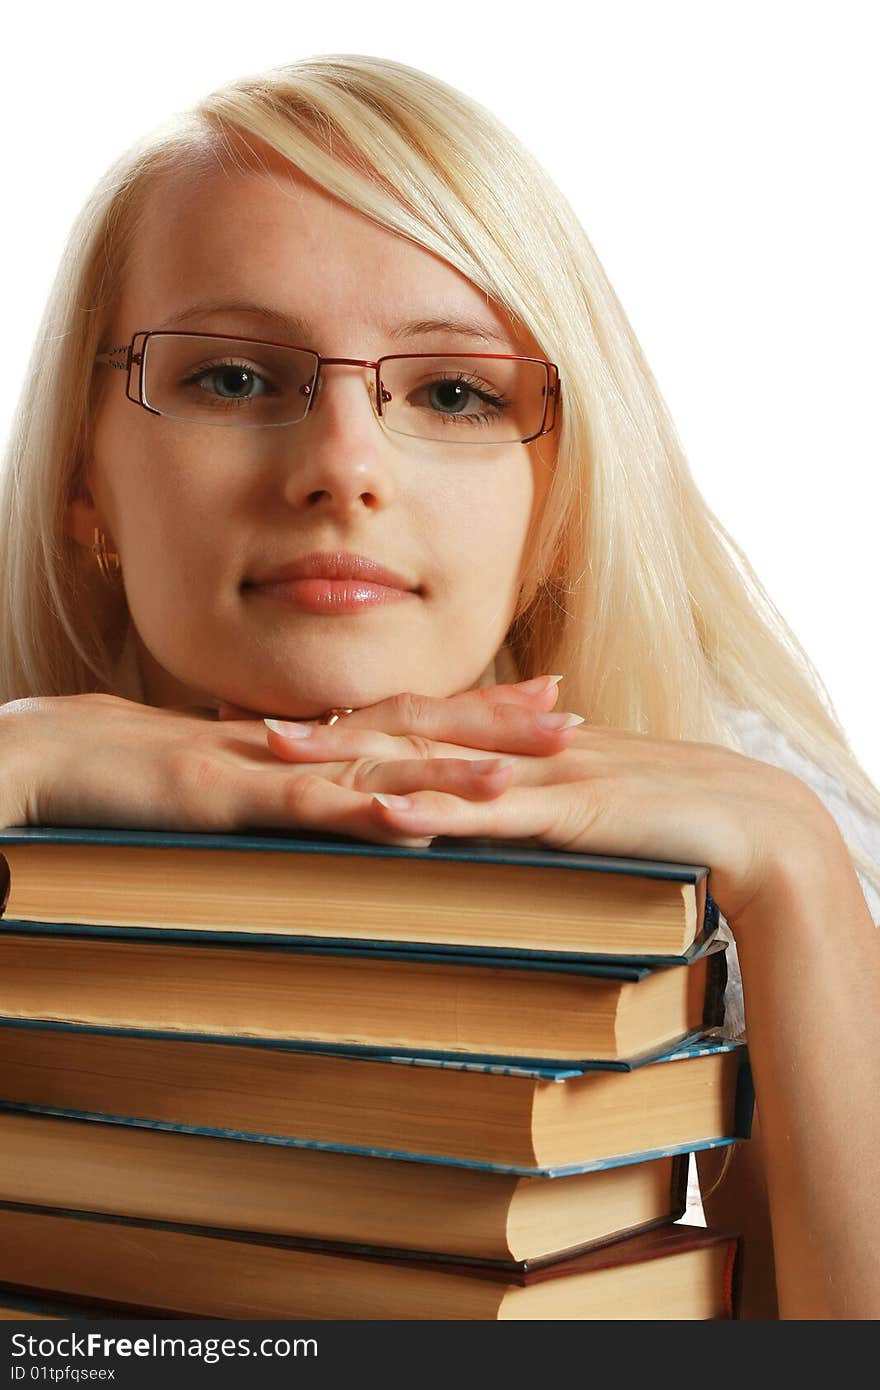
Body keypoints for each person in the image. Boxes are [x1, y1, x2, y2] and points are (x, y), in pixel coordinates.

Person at [0, 53, 878, 1320]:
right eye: (234, 376)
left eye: (456, 391)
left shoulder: (747, 820)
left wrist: (796, 874)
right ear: (87, 482)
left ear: (562, 506)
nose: (342, 467)